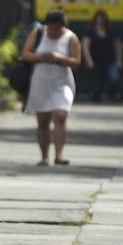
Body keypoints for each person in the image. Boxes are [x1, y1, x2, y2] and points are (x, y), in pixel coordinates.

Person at [21, 9, 81, 166]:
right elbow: (26, 54)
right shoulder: (39, 32)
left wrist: (59, 58)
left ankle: (59, 154)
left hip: (61, 82)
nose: (53, 32)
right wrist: (40, 57)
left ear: (62, 26)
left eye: (56, 28)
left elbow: (76, 62)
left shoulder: (71, 37)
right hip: (41, 81)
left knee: (60, 115)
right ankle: (44, 156)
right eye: (50, 28)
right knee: (43, 120)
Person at [81, 9, 122, 101]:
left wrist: (119, 60)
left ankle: (113, 95)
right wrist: (89, 60)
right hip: (96, 61)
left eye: (102, 18)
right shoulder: (90, 31)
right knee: (97, 80)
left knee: (113, 77)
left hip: (110, 60)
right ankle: (97, 95)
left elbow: (117, 45)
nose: (100, 20)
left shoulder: (111, 31)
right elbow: (85, 46)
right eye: (98, 18)